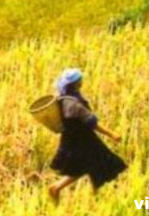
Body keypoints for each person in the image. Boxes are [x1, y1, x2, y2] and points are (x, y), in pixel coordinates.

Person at [48, 68, 127, 203]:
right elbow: (92, 123)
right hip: (84, 140)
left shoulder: (61, 99)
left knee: (88, 167)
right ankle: (57, 188)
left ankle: (95, 197)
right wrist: (112, 134)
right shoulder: (74, 104)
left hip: (72, 139)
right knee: (102, 164)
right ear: (76, 84)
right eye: (80, 81)